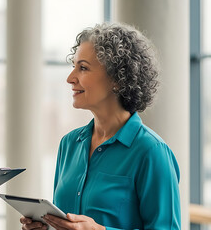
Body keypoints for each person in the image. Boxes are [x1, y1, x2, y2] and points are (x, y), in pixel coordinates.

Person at [21, 23, 181, 230]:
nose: (70, 78)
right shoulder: (69, 144)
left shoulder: (151, 152)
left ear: (117, 79)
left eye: (83, 68)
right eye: (74, 66)